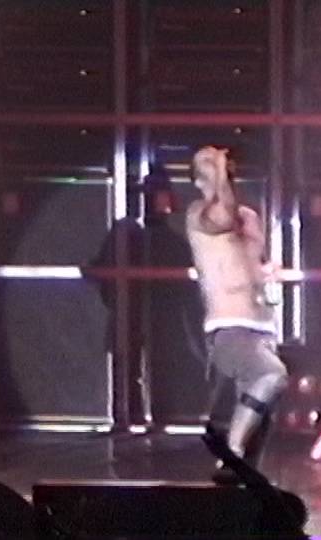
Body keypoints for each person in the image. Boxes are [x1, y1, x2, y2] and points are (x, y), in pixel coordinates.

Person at [186, 145, 288, 483]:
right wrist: (218, 170)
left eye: (220, 159)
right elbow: (224, 215)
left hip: (262, 326)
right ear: (198, 178)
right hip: (230, 326)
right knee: (271, 375)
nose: (218, 161)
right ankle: (231, 452)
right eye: (208, 161)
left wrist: (267, 272)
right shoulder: (199, 215)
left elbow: (252, 265)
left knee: (258, 418)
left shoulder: (249, 217)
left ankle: (239, 478)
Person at [88, 166, 206, 428]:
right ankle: (134, 417)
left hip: (150, 316)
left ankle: (140, 417)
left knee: (144, 367)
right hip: (139, 314)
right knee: (133, 366)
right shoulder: (131, 235)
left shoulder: (145, 237)